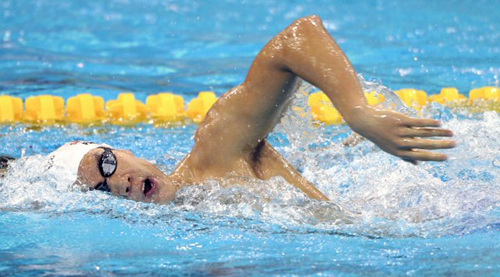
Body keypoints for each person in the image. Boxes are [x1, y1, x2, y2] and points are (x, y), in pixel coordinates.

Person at [2, 16, 456, 204]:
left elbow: (298, 37)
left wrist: (358, 113)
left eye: (106, 164)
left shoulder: (215, 150)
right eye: (101, 188)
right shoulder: (192, 218)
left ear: (121, 150)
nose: (117, 181)